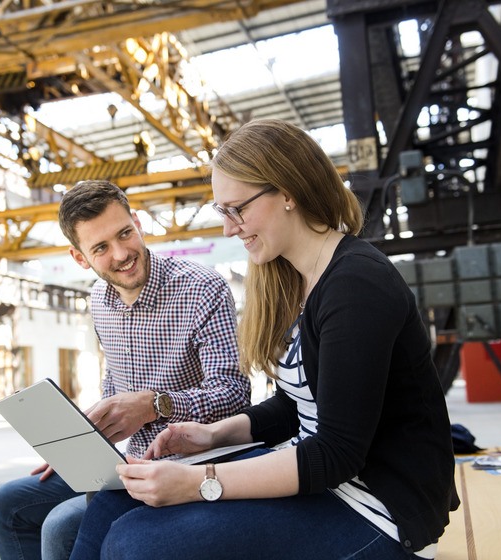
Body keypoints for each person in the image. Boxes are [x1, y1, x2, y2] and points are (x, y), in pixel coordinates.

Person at [68, 119, 460, 560]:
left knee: (134, 542)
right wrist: (213, 436)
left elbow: (337, 453)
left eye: (237, 209)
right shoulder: (300, 280)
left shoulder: (355, 286)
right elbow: (297, 405)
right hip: (324, 479)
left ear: (287, 192)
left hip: (379, 507)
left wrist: (201, 481)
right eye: (224, 212)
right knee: (111, 503)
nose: (229, 229)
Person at [0, 180, 252, 560]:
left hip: (191, 464)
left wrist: (156, 405)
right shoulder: (99, 300)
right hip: (126, 464)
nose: (123, 253)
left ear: (138, 222)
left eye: (125, 233)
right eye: (101, 248)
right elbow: (115, 382)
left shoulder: (202, 288)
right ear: (80, 258)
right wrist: (74, 440)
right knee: (5, 504)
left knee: (60, 527)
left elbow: (234, 394)